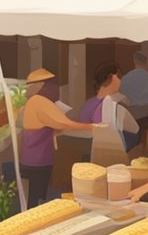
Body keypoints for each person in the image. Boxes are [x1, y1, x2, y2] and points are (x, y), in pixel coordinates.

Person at [20, 68, 101, 209]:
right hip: (38, 160)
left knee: (34, 195)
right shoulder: (40, 102)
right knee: (37, 197)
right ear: (43, 86)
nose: (57, 88)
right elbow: (62, 123)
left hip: (31, 158)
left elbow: (53, 125)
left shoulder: (32, 102)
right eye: (53, 84)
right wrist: (90, 126)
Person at [81, 63, 140, 164]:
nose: (121, 81)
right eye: (119, 77)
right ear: (112, 78)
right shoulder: (114, 106)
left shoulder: (88, 105)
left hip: (91, 154)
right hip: (111, 157)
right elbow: (134, 130)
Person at [121, 51, 148, 146]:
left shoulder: (126, 78)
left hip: (133, 112)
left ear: (134, 60)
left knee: (133, 137)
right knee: (145, 136)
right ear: (146, 62)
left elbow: (123, 96)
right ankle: (144, 152)